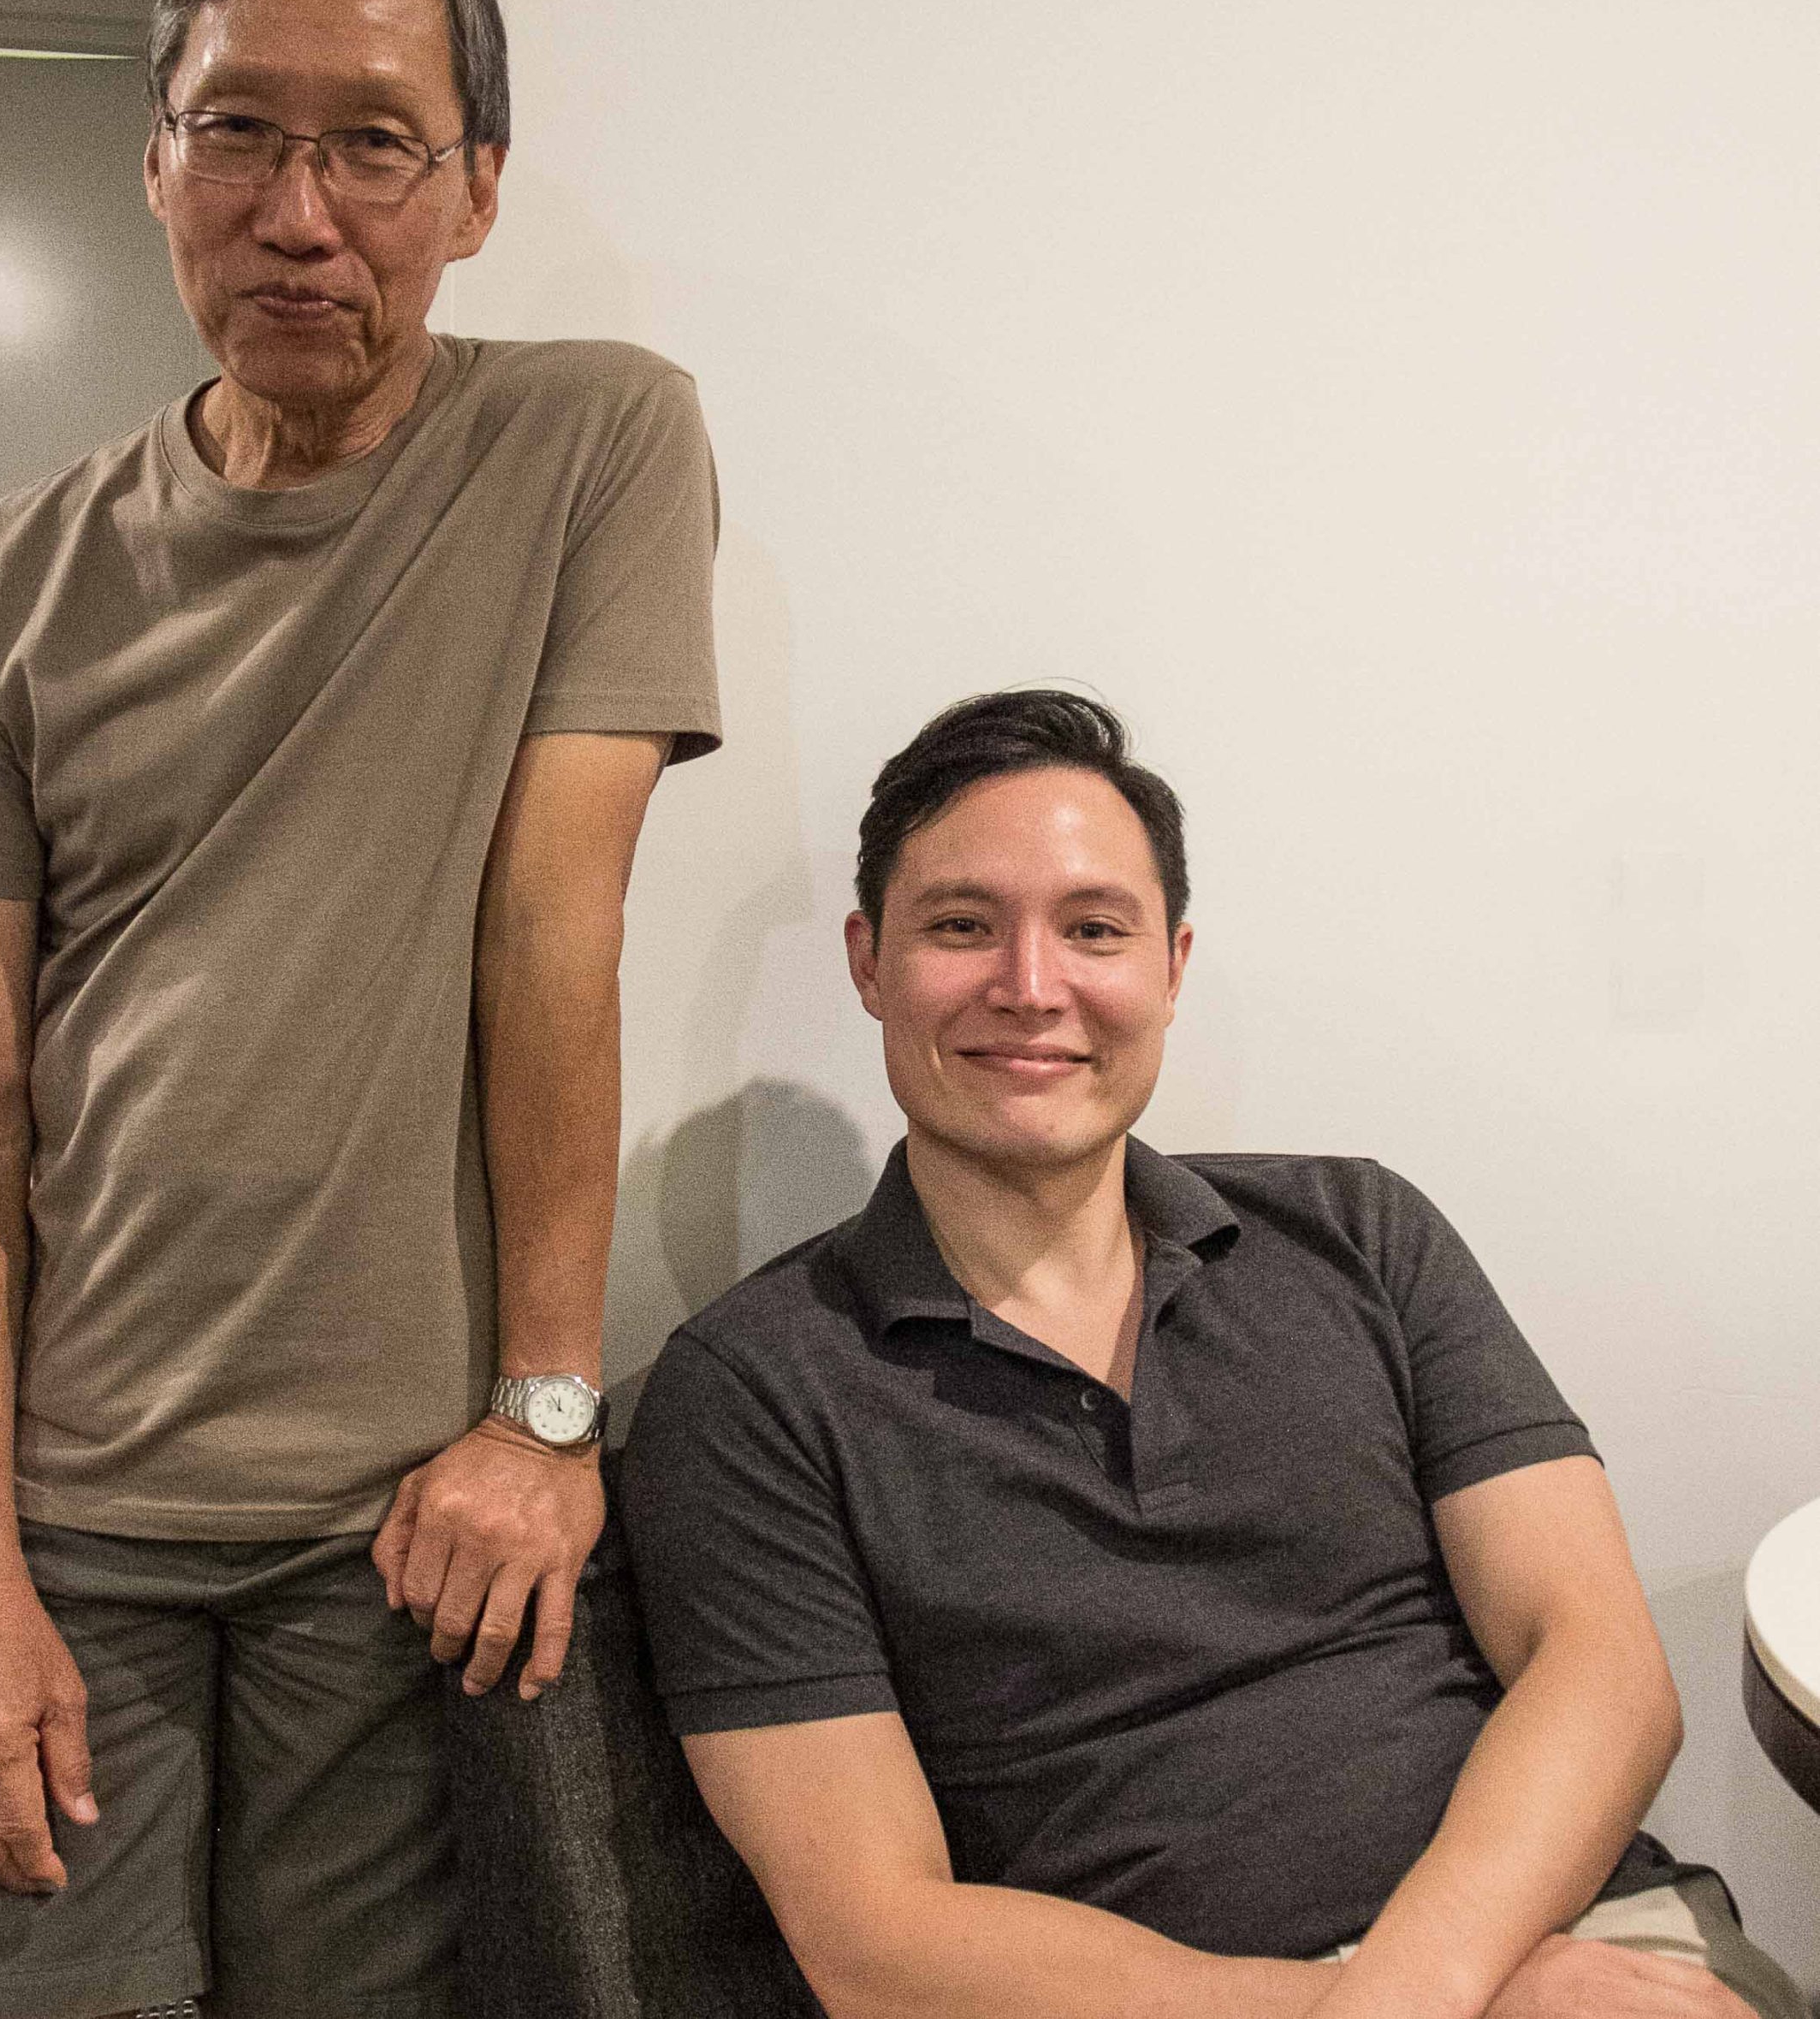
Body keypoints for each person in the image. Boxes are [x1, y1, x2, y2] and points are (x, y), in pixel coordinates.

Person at [0, 0, 719, 2019]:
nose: (298, 212)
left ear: (475, 190)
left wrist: (544, 1415)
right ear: (154, 160)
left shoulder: (592, 441)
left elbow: (553, 926)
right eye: (239, 133)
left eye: (371, 144)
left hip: (400, 1529)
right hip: (64, 1512)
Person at [620, 690, 1806, 2019]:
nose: (1030, 986)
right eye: (960, 927)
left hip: (1563, 1937)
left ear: (1170, 967)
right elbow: (874, 1941)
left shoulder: (1360, 1233)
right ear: (869, 963)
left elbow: (1599, 1668)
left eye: (1093, 929)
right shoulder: (751, 1393)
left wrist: (1429, 1986)